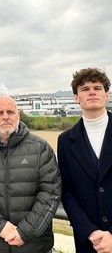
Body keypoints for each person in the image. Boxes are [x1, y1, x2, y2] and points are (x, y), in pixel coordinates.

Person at [0, 95, 61, 253]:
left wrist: (25, 232)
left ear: (18, 114)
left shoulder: (40, 147)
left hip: (35, 246)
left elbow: (51, 192)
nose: (5, 116)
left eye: (10, 111)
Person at [57, 67, 112, 253]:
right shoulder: (65, 141)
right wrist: (89, 232)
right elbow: (67, 191)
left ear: (107, 95)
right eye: (85, 89)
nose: (92, 92)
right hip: (88, 242)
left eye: (97, 87)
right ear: (76, 98)